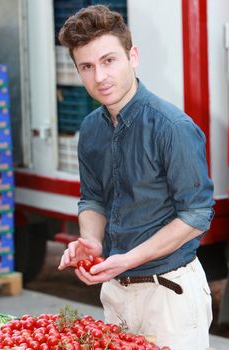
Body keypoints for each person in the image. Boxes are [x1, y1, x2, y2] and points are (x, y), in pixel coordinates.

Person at [58, 5, 215, 349]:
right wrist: (92, 243)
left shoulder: (172, 127)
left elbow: (196, 215)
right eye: (87, 66)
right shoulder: (90, 130)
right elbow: (94, 198)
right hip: (116, 294)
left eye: (109, 60)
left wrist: (128, 259)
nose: (99, 76)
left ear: (133, 56)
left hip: (169, 296)